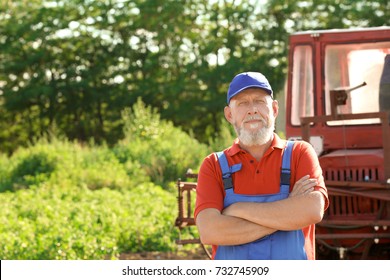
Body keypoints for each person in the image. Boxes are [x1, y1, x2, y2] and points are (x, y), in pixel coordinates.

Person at [194, 72, 329, 260]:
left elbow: (312, 210)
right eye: (242, 103)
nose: (252, 110)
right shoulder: (213, 165)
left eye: (259, 101)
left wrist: (238, 209)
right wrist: (287, 213)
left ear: (274, 109)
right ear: (229, 114)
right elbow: (210, 232)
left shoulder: (300, 154)